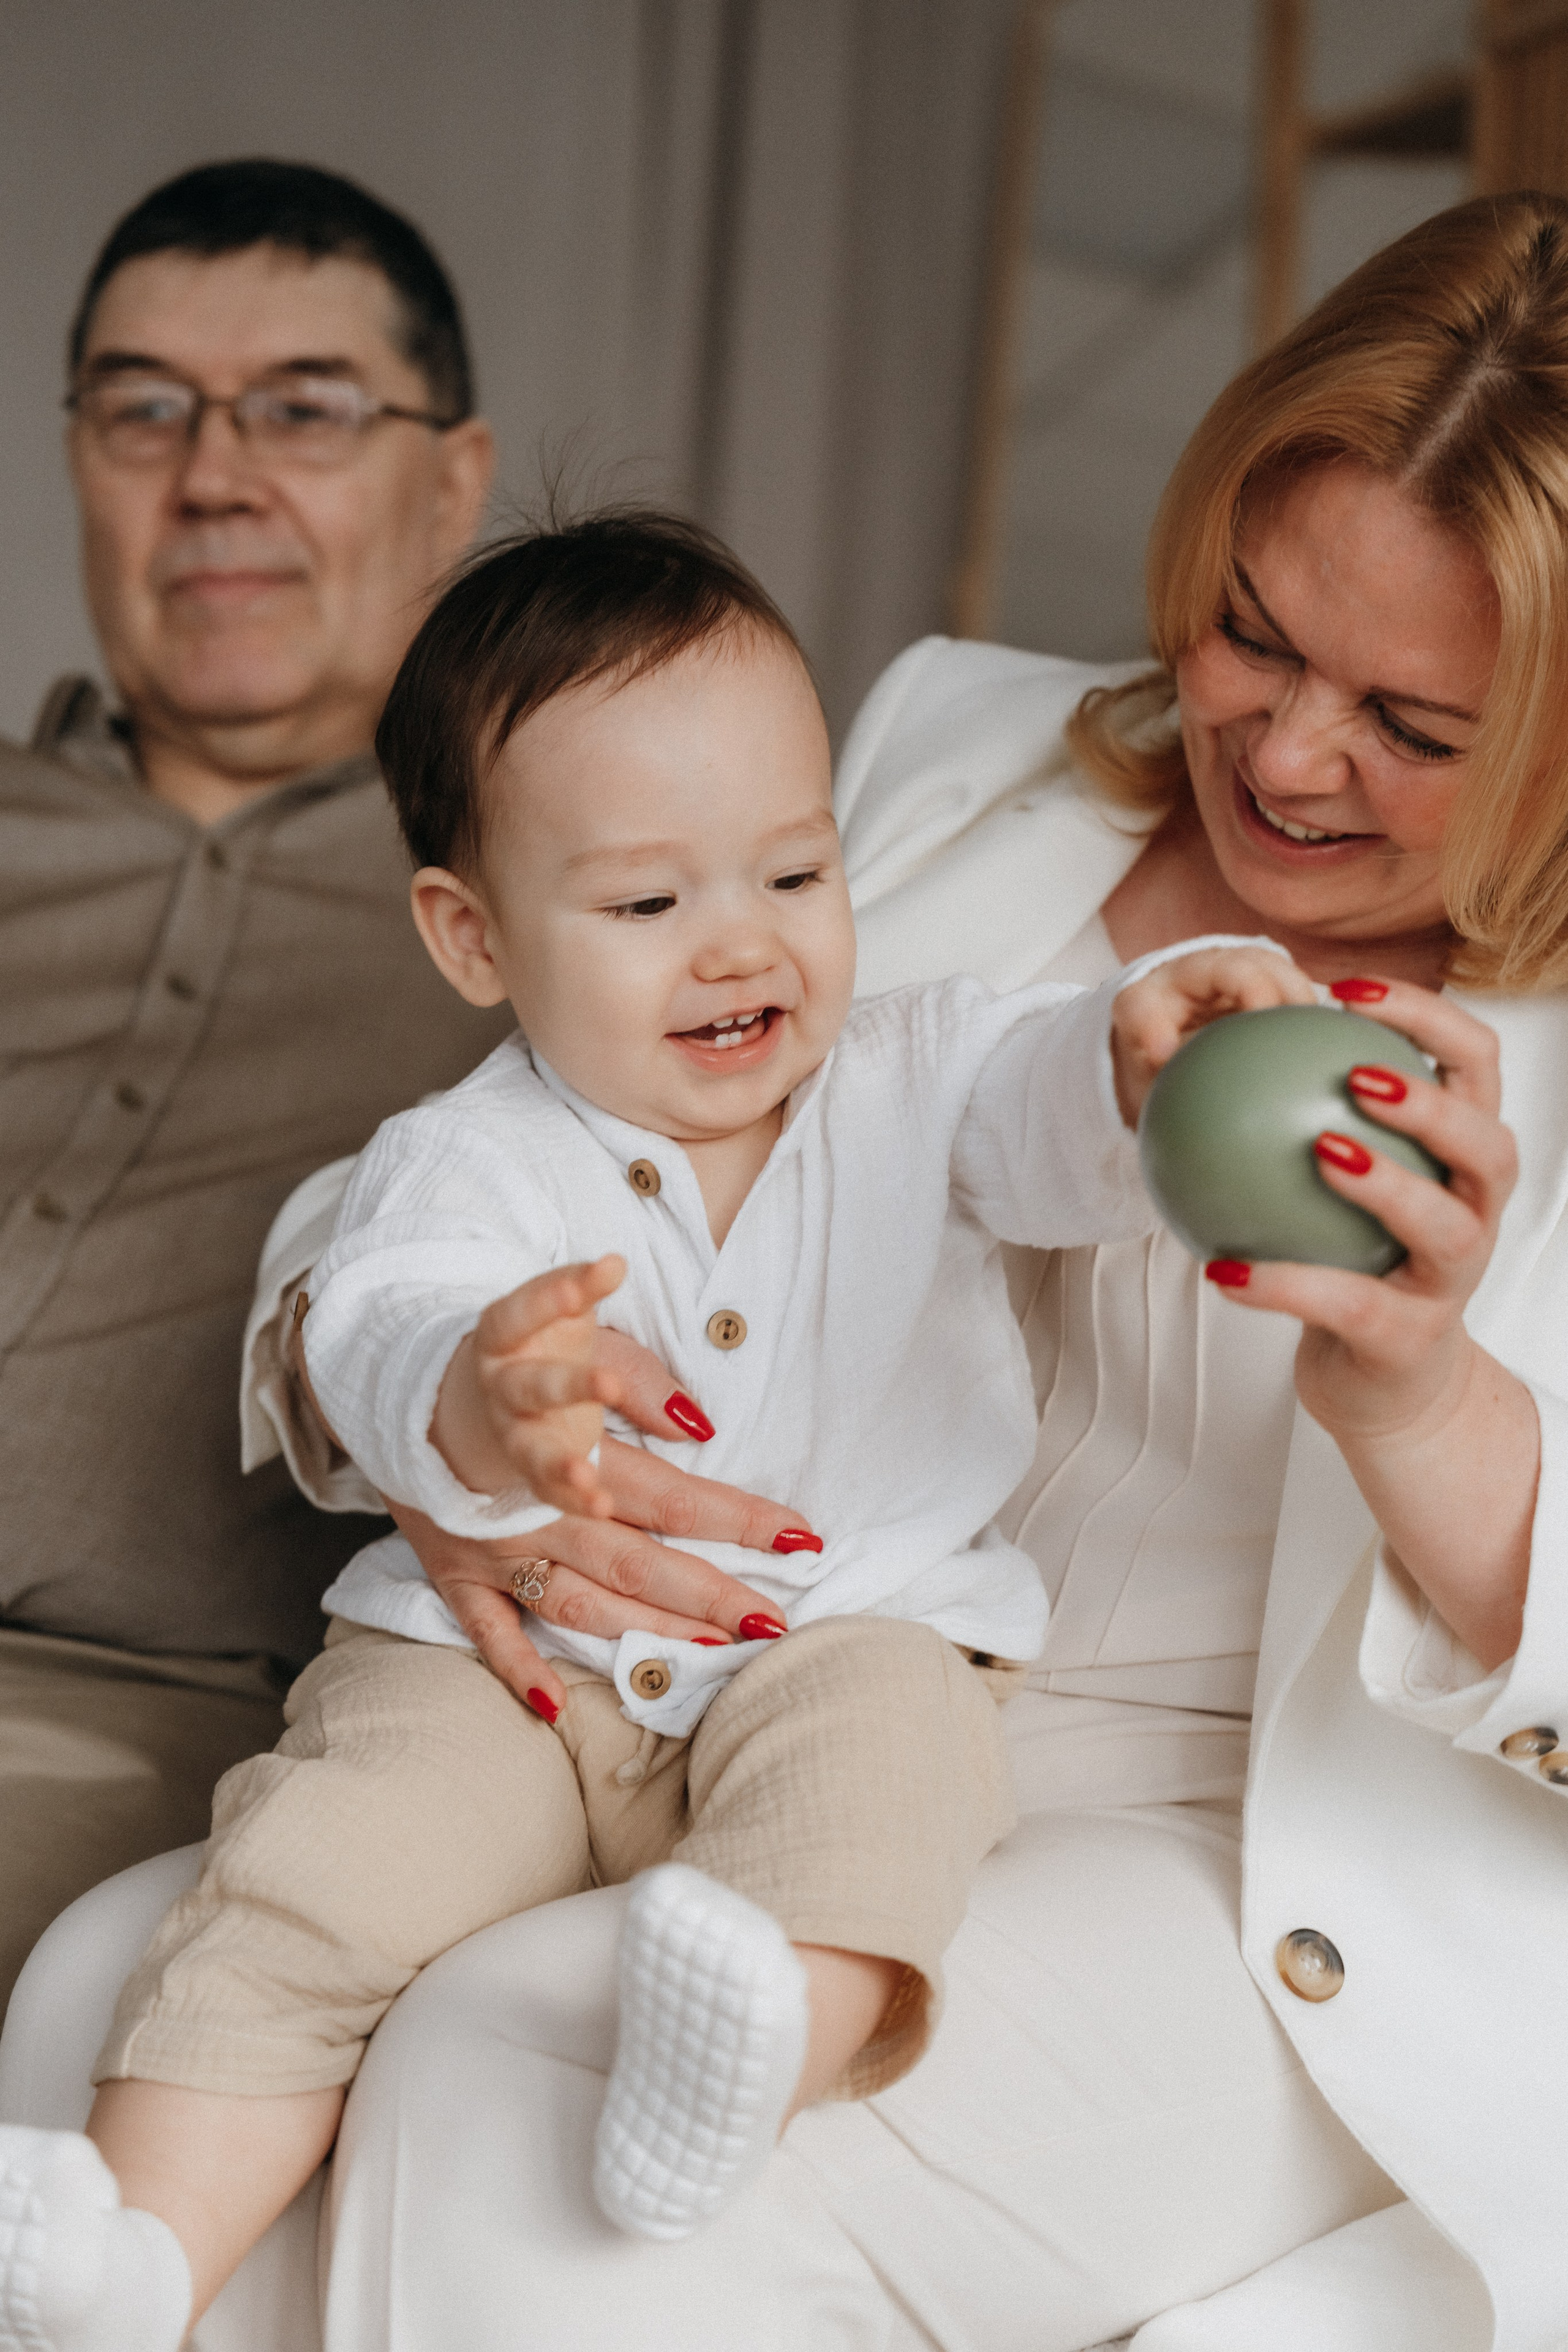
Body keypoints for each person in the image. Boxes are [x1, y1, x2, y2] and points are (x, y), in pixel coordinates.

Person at [9, 191, 1568, 2350]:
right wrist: (462, 1422)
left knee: (512, 2091)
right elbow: (490, 1144)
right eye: (1256, 631)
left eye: (1416, 724)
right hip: (699, 1672)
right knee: (102, 1973)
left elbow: (1019, 1125)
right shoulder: (946, 736)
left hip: (1185, 1827)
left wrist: (1415, 1385)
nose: (1291, 754)